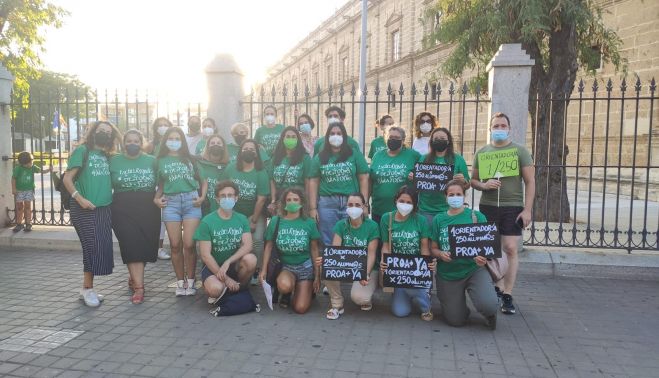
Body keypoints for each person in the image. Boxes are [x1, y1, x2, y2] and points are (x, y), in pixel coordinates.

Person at [471, 112, 535, 315]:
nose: (499, 128)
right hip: (488, 206)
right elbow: (473, 180)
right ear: (490, 129)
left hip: (512, 206)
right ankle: (497, 287)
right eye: (496, 125)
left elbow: (530, 181)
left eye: (502, 125)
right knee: (489, 251)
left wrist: (527, 210)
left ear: (509, 127)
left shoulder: (520, 151)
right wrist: (484, 184)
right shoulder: (482, 152)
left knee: (510, 248)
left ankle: (508, 293)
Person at [63, 120, 120, 307]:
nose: (105, 134)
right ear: (93, 132)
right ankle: (88, 289)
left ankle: (86, 288)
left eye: (108, 132)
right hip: (84, 207)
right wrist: (80, 199)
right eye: (101, 130)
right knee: (92, 246)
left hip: (104, 208)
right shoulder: (82, 151)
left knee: (100, 247)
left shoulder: (107, 155)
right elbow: (67, 179)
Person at [431, 179, 498, 328]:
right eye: (451, 194)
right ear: (446, 197)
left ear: (464, 195)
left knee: (489, 305)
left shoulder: (476, 217)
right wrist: (441, 254)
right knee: (455, 320)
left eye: (458, 194)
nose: (455, 197)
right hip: (448, 274)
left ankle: (489, 313)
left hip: (473, 270)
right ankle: (461, 308)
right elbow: (433, 248)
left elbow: (488, 247)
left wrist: (483, 259)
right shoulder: (439, 219)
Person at [154, 126, 207, 297]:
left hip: (191, 201)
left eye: (177, 139)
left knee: (189, 244)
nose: (174, 142)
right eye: (171, 138)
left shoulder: (190, 159)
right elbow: (161, 184)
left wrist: (202, 197)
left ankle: (191, 281)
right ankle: (180, 281)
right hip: (171, 203)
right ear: (165, 141)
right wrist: (156, 198)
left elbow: (203, 180)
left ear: (182, 141)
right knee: (175, 245)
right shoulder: (160, 160)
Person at [109, 130, 160, 304]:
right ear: (124, 143)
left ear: (141, 143)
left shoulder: (152, 161)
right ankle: (139, 288)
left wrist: (158, 197)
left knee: (144, 244)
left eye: (136, 141)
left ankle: (134, 277)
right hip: (122, 206)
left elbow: (162, 181)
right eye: (129, 141)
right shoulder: (114, 161)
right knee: (131, 243)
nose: (133, 144)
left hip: (148, 206)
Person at [315, 192, 380, 319]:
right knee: (326, 265)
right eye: (350, 205)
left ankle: (367, 296)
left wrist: (365, 273)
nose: (353, 207)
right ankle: (336, 304)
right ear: (346, 207)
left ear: (363, 207)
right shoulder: (341, 225)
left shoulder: (372, 226)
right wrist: (327, 259)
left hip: (367, 268)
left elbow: (372, 254)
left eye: (357, 204)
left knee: (360, 299)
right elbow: (335, 251)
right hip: (347, 267)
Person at [194, 180, 257, 305]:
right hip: (213, 266)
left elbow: (248, 245)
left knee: (251, 259)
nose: (227, 198)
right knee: (215, 290)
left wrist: (228, 261)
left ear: (236, 198)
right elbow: (205, 255)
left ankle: (239, 287)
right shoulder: (207, 221)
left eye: (230, 195)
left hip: (233, 265)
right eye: (223, 196)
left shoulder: (242, 219)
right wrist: (226, 279)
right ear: (217, 199)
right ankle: (223, 286)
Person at [259, 187, 321, 313]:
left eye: (295, 199)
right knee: (285, 286)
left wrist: (318, 275)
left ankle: (303, 290)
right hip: (285, 267)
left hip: (305, 267)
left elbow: (314, 250)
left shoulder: (309, 222)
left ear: (302, 202)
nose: (292, 202)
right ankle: (286, 292)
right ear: (284, 203)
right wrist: (263, 269)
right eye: (289, 200)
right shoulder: (276, 221)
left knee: (300, 308)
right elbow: (269, 246)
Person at [309, 122, 369, 248]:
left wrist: (365, 205)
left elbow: (364, 178)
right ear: (327, 137)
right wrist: (313, 208)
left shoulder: (354, 154)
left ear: (344, 136)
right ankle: (331, 267)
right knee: (329, 241)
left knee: (352, 239)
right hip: (327, 204)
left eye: (339, 133)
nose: (335, 136)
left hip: (351, 203)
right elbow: (313, 181)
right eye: (332, 134)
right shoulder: (320, 157)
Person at [379, 186, 436, 321]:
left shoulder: (420, 220)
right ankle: (408, 293)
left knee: (417, 292)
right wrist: (384, 261)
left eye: (409, 202)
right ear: (396, 201)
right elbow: (386, 245)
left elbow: (424, 247)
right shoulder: (387, 218)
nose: (404, 205)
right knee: (400, 312)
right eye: (402, 201)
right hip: (397, 271)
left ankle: (424, 299)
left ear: (414, 205)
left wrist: (426, 268)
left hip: (414, 270)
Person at [220, 139, 270, 268]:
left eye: (252, 149)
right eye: (246, 149)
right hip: (233, 212)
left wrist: (253, 221)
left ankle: (256, 269)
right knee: (236, 241)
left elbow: (261, 199)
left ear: (256, 154)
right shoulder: (231, 168)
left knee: (257, 240)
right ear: (240, 151)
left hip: (254, 212)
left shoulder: (261, 172)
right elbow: (222, 188)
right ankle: (236, 267)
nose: (249, 151)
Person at [416, 127, 470, 225]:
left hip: (449, 209)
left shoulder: (458, 159)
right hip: (426, 210)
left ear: (448, 141)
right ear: (431, 141)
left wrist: (463, 181)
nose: (439, 141)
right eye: (436, 139)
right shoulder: (424, 158)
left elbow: (467, 184)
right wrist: (413, 177)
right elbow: (417, 181)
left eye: (442, 138)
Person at [369, 126, 420, 224]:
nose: (393, 140)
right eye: (391, 137)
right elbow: (370, 180)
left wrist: (416, 177)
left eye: (397, 138)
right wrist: (366, 203)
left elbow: (424, 174)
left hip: (404, 210)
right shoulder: (377, 155)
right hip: (379, 209)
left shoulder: (413, 155)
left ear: (403, 140)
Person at [267, 126, 312, 215]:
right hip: (280, 201)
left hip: (297, 200)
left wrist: (307, 202)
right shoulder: (275, 158)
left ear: (298, 139)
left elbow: (308, 182)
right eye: (288, 137)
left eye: (293, 137)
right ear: (283, 139)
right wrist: (273, 200)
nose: (290, 139)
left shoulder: (305, 158)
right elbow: (272, 180)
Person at [147, 117, 174, 260]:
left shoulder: (173, 145)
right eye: (160, 125)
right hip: (155, 184)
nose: (163, 127)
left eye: (165, 125)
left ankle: (160, 248)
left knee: (165, 218)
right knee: (155, 217)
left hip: (169, 183)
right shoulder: (151, 145)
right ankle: (154, 247)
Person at [12, 152, 50, 232]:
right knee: (19, 207)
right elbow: (13, 179)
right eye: (28, 163)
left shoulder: (32, 167)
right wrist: (14, 189)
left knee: (28, 207)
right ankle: (19, 223)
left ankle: (28, 223)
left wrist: (49, 169)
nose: (30, 164)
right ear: (22, 163)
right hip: (19, 191)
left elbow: (41, 171)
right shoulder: (18, 168)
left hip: (29, 190)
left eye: (31, 162)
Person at [197, 134, 230, 216]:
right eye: (212, 143)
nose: (216, 145)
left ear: (223, 147)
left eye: (219, 143)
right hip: (202, 208)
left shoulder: (229, 167)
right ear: (207, 147)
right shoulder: (199, 164)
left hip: (222, 210)